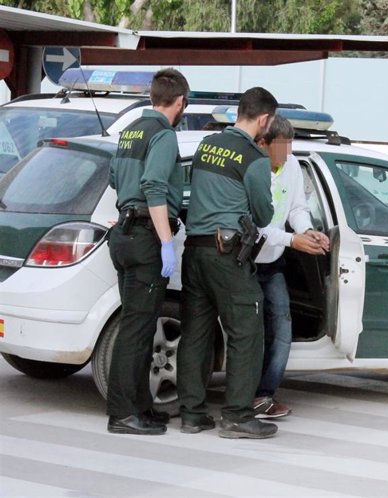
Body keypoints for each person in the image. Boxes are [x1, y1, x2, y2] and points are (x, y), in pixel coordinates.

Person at [177, 87, 278, 439]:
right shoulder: (255, 158)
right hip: (227, 255)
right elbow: (264, 214)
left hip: (194, 251)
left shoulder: (207, 145)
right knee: (247, 333)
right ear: (264, 119)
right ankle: (236, 416)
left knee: (195, 334)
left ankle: (191, 414)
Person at [106, 68, 189, 435]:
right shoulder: (164, 135)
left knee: (137, 326)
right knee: (137, 332)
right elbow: (154, 187)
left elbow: (114, 179)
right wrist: (166, 243)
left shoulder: (130, 131)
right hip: (145, 238)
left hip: (124, 235)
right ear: (180, 102)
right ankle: (123, 414)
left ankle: (141, 406)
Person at [252, 115, 329, 419]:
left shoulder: (293, 166)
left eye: (289, 145)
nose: (286, 152)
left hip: (273, 261)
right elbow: (254, 226)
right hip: (246, 261)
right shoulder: (253, 169)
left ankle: (264, 395)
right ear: (263, 144)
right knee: (249, 333)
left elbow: (297, 208)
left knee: (282, 325)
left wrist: (307, 231)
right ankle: (240, 393)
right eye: (281, 146)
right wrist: (293, 241)